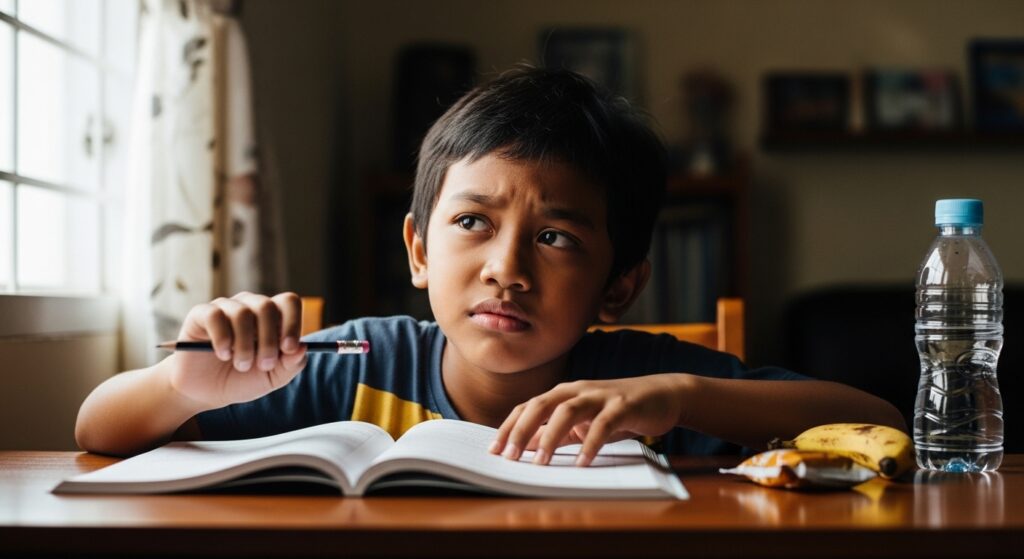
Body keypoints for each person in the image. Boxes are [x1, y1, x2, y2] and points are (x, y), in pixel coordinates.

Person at [75, 67, 905, 463]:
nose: (506, 268)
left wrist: (683, 395)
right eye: (472, 222)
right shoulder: (354, 364)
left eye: (556, 237)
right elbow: (95, 430)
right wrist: (183, 386)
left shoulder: (642, 386)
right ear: (418, 249)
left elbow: (880, 421)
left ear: (620, 284)